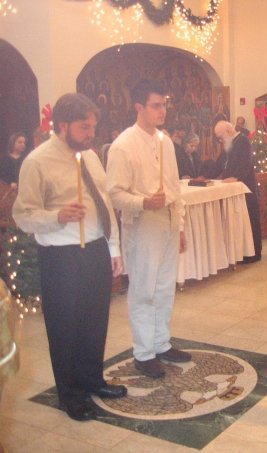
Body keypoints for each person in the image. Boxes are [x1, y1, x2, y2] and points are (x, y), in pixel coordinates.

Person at [12, 93, 126, 421]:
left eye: (93, 126)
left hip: (94, 252)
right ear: (62, 125)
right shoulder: (37, 161)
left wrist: (113, 248)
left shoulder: (90, 156)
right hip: (60, 257)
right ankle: (70, 395)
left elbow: (104, 204)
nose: (91, 133)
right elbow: (23, 215)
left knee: (94, 322)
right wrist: (57, 216)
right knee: (65, 328)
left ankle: (92, 380)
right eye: (83, 127)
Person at [106, 79, 191, 379]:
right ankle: (144, 352)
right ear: (139, 107)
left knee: (165, 286)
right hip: (142, 224)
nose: (162, 110)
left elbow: (174, 188)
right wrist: (143, 202)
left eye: (164, 104)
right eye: (156, 105)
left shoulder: (165, 141)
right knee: (144, 288)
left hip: (167, 221)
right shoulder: (123, 145)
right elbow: (114, 193)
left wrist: (179, 226)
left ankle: (161, 343)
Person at [213, 120, 262, 263]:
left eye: (221, 137)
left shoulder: (243, 142)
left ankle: (254, 254)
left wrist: (235, 177)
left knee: (250, 220)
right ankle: (242, 252)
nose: (220, 140)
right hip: (234, 190)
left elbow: (246, 163)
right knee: (239, 222)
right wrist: (204, 176)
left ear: (228, 132)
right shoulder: (229, 144)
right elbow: (219, 164)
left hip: (246, 188)